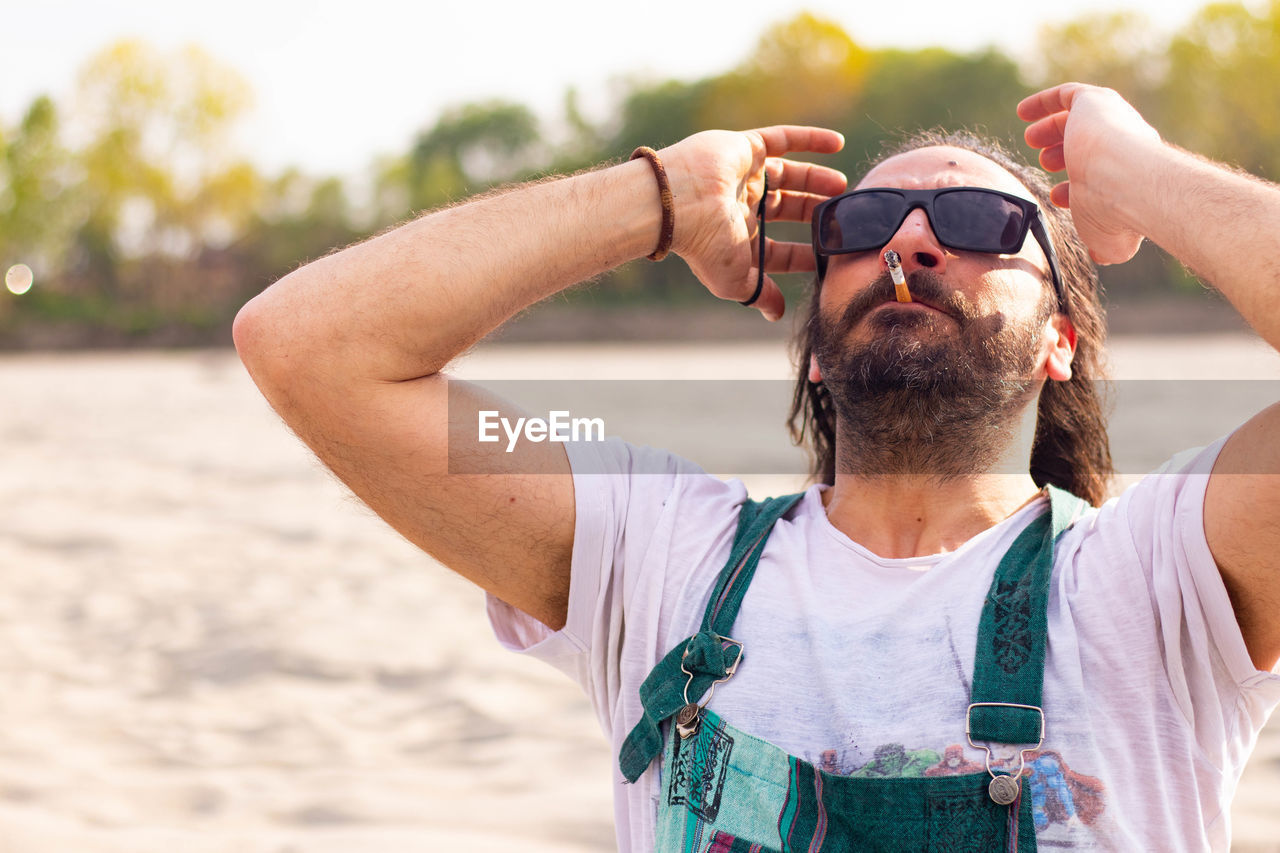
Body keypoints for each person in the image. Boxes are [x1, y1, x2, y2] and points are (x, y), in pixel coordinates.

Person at [233, 82, 1280, 851]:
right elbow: (308, 348)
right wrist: (659, 196)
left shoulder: (1159, 577)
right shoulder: (651, 554)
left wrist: (1139, 174)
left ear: (1063, 341)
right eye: (859, 226)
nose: (906, 244)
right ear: (814, 344)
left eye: (973, 223)